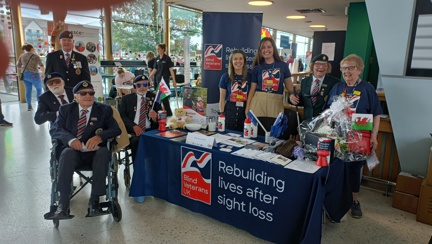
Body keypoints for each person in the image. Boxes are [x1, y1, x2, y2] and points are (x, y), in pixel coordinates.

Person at [49, 81, 121, 219]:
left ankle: (94, 201)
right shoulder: (65, 110)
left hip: (95, 154)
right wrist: (71, 140)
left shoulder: (104, 110)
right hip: (73, 154)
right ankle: (63, 205)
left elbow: (115, 129)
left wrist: (99, 137)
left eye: (91, 93)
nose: (88, 96)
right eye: (83, 93)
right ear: (75, 96)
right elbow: (55, 129)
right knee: (66, 153)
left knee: (103, 152)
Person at [326, 54, 382, 219]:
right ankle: (336, 198)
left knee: (354, 169)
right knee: (337, 166)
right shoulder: (337, 87)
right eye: (344, 68)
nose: (346, 71)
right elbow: (330, 111)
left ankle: (354, 201)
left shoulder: (367, 88)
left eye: (350, 68)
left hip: (360, 134)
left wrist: (374, 136)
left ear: (359, 70)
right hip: (339, 135)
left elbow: (376, 114)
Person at [246, 37, 294, 120]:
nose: (266, 50)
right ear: (260, 50)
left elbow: (290, 87)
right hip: (258, 101)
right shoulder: (257, 68)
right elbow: (252, 90)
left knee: (274, 130)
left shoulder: (283, 66)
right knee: (257, 130)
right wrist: (247, 108)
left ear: (274, 49)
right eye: (263, 48)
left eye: (269, 47)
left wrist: (293, 94)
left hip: (276, 102)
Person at [118, 75, 161, 165]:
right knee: (136, 142)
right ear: (134, 86)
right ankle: (138, 170)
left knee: (162, 142)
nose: (142, 87)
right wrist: (134, 126)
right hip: (132, 132)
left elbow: (163, 116)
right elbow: (122, 116)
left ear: (148, 85)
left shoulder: (155, 98)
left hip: (151, 131)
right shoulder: (126, 99)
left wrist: (156, 117)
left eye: (145, 84)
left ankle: (156, 168)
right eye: (139, 85)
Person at [289, 54, 340, 121]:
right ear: (312, 66)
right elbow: (302, 100)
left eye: (324, 65)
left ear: (328, 67)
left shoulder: (334, 82)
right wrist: (292, 98)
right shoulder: (305, 81)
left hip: (325, 123)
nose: (321, 67)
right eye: (317, 64)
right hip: (307, 122)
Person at [219, 50, 251, 132]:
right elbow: (222, 98)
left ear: (244, 61)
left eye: (241, 59)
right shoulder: (225, 77)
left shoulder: (250, 77)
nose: (238, 61)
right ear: (231, 62)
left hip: (244, 111)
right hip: (230, 111)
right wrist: (222, 114)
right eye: (235, 59)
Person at [148, 43, 177, 116]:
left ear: (163, 49)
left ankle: (169, 113)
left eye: (159, 49)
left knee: (164, 98)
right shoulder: (157, 58)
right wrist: (149, 77)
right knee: (157, 98)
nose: (157, 50)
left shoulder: (167, 58)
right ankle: (158, 112)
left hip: (164, 81)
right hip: (157, 80)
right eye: (157, 49)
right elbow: (155, 69)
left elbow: (171, 70)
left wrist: (174, 81)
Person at [17, 43, 45, 111]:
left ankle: (29, 106)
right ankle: (40, 105)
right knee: (39, 89)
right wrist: (43, 73)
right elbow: (41, 65)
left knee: (28, 90)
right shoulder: (35, 56)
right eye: (33, 48)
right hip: (34, 75)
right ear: (31, 49)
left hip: (25, 75)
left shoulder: (22, 56)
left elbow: (18, 66)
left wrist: (24, 69)